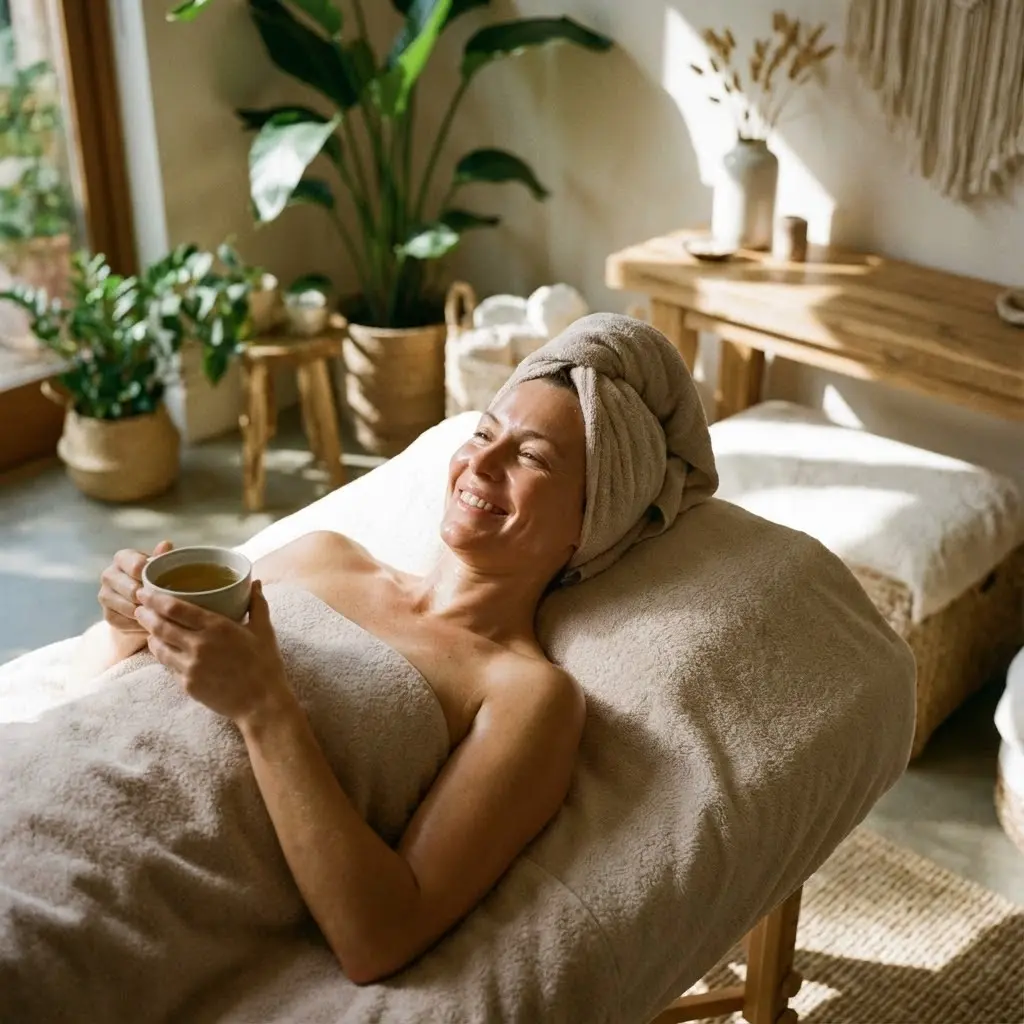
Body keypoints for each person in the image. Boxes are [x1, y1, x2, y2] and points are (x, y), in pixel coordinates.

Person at [75, 370, 589, 986]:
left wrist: (266, 709)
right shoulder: (322, 554)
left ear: (591, 520)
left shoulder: (526, 693)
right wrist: (131, 625)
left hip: (109, 881)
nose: (484, 460)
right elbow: (123, 699)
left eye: (531, 455)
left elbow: (381, 935)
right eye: (483, 432)